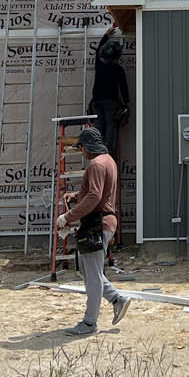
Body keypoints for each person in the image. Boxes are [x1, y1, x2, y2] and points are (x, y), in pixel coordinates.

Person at [56, 127, 129, 336]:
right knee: (91, 273)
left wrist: (67, 217)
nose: (82, 153)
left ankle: (89, 323)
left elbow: (95, 197)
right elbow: (98, 193)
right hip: (104, 222)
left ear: (88, 147)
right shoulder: (108, 161)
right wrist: (77, 195)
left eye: (82, 149)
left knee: (93, 276)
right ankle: (117, 299)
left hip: (98, 224)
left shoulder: (96, 164)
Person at [89, 25, 129, 163]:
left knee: (99, 124)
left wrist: (106, 35)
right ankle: (107, 149)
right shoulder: (118, 70)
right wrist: (126, 104)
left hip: (97, 101)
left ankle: (95, 147)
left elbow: (98, 50)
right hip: (111, 102)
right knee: (110, 124)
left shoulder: (99, 63)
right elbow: (123, 88)